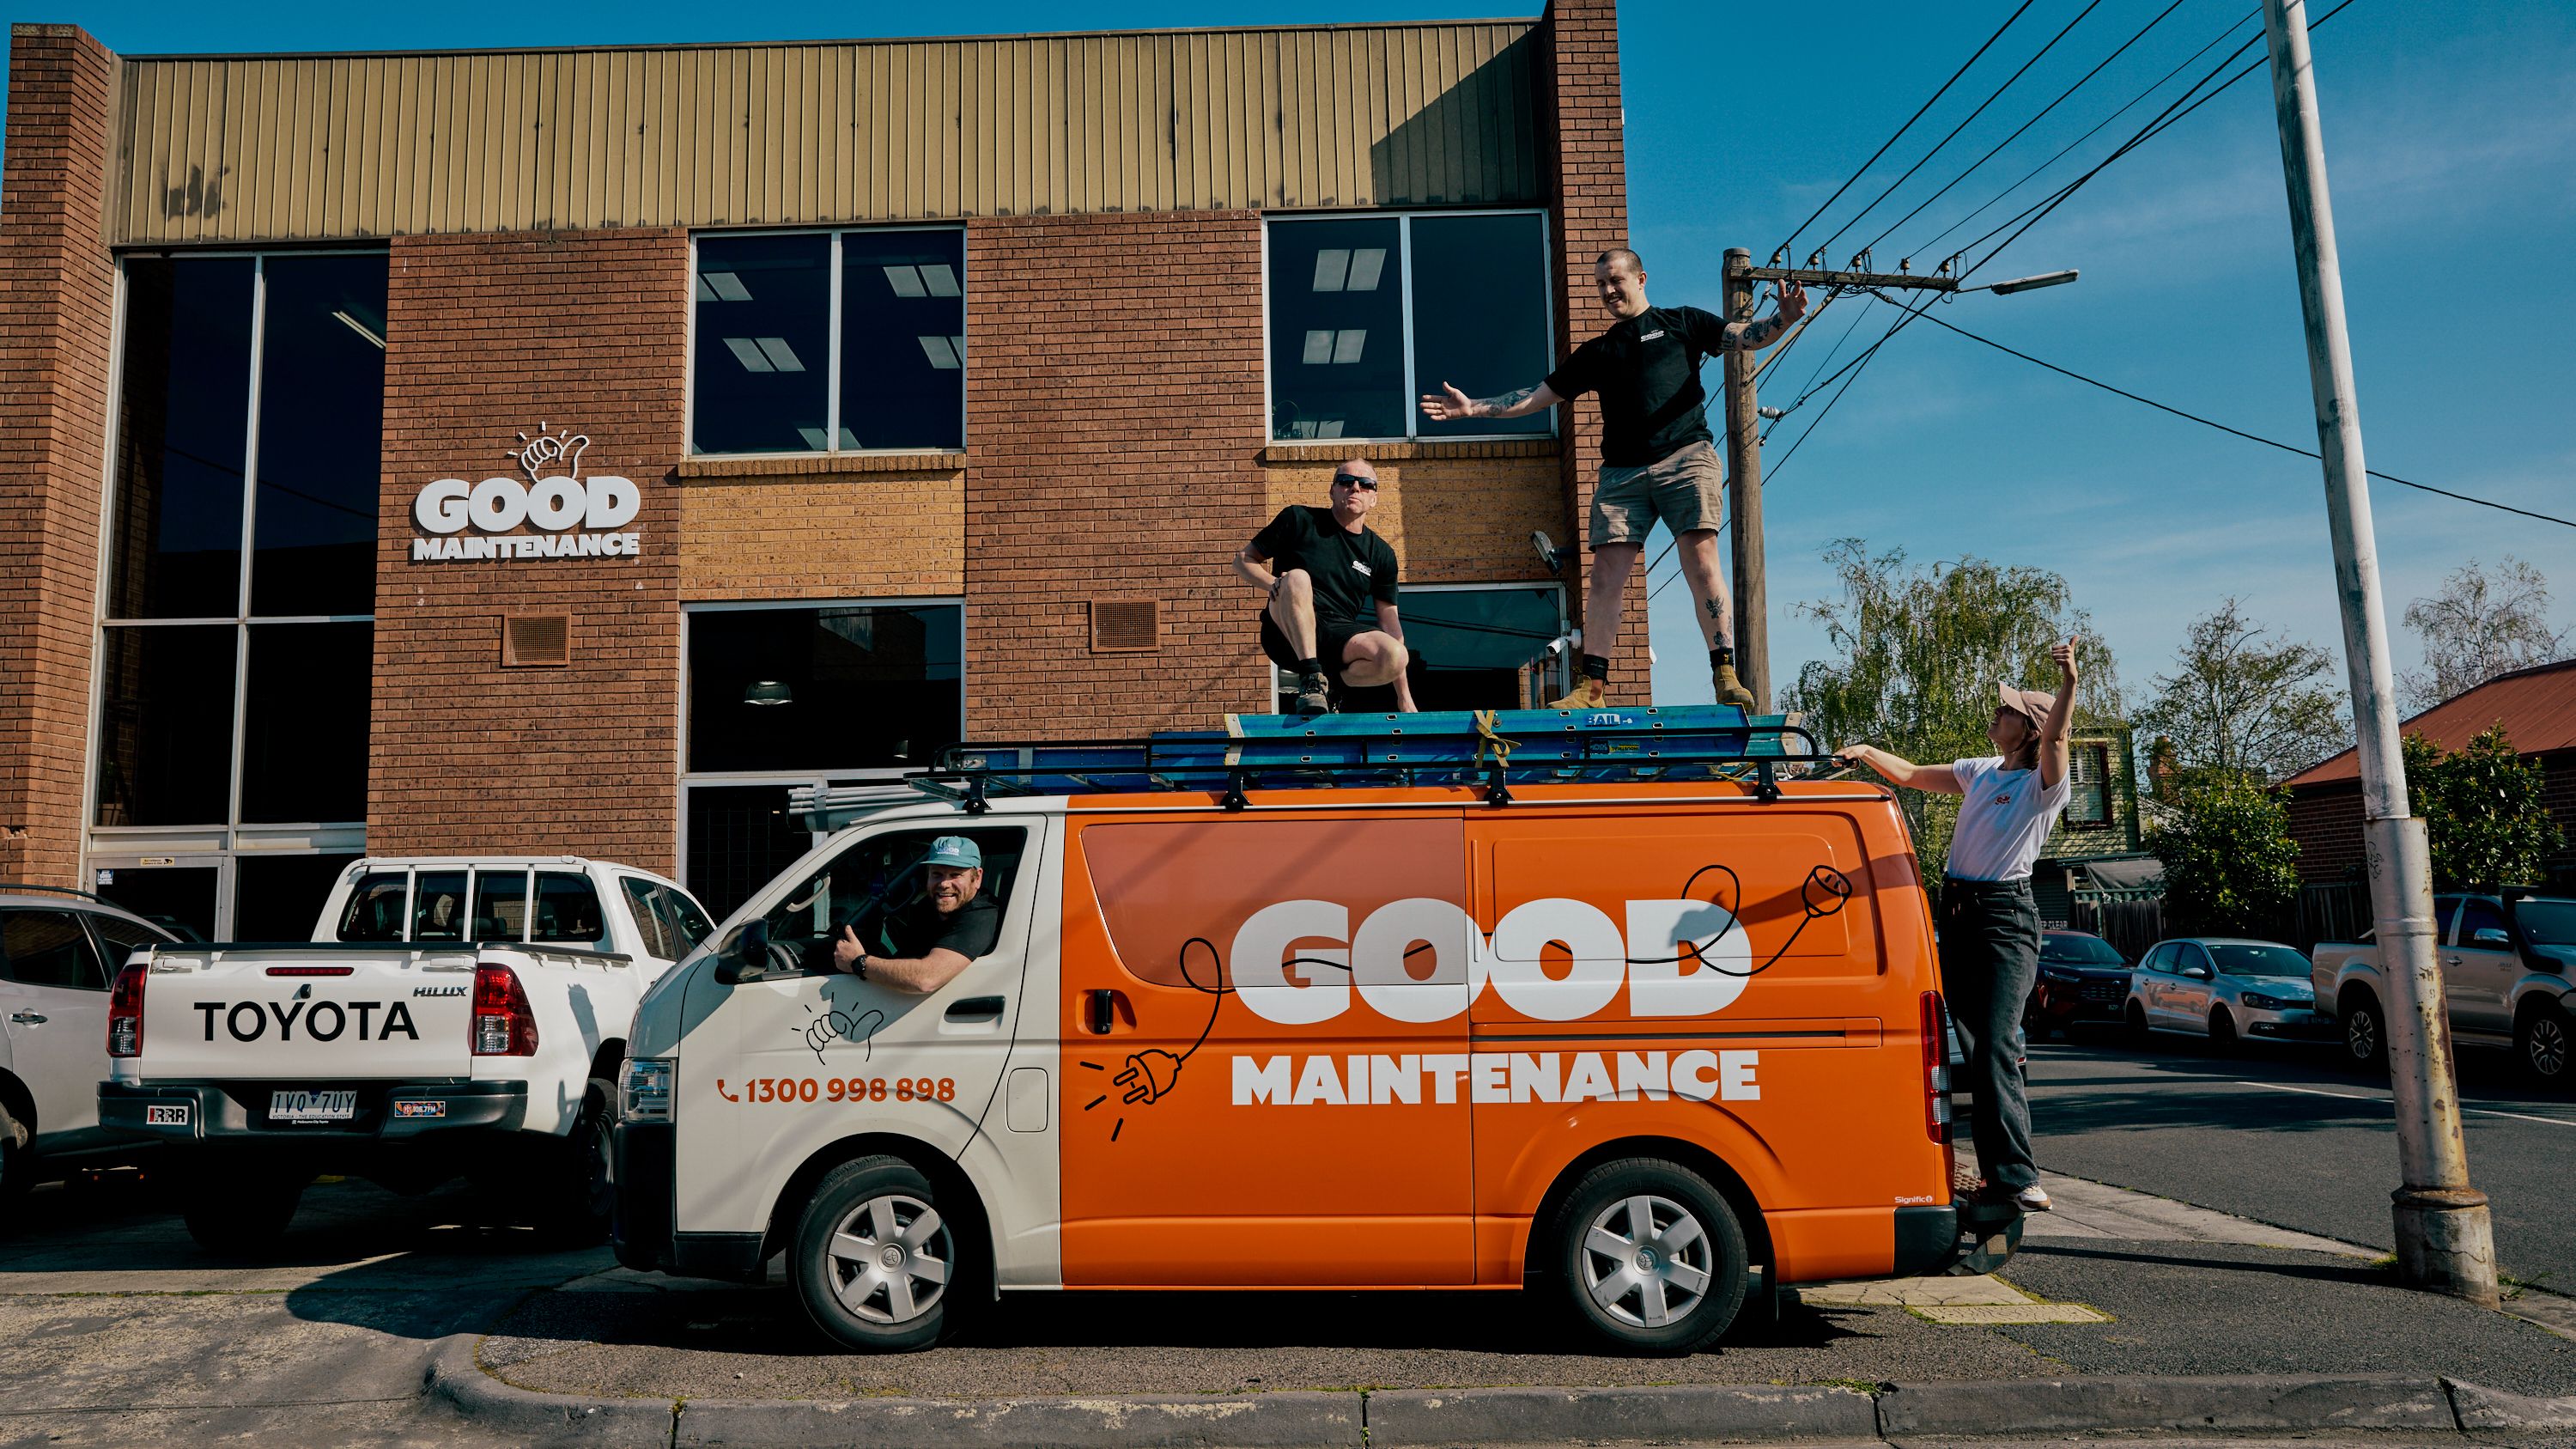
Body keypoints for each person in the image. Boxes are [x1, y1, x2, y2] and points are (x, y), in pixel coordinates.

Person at [1419, 247, 1804, 710]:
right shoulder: (1599, 352)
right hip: (1622, 474)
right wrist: (1475, 407)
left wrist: (1783, 321)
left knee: (1701, 563)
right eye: (1600, 284)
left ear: (1641, 278)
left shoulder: (1682, 322)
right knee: (1603, 578)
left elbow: (1746, 336)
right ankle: (1592, 689)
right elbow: (1537, 395)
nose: (1607, 291)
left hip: (1686, 458)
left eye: (1615, 280)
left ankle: (1725, 673)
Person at [1832, 638, 2081, 1214]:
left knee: (1996, 1042)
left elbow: (2060, 737)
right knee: (1968, 1043)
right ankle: (1996, 1176)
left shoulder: (2041, 786)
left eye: (2009, 709)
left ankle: (2020, 1176)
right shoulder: (1982, 772)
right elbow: (1916, 774)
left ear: (2027, 730)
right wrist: (1868, 751)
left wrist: (2068, 681)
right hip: (1960, 912)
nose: (1997, 712)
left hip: (2003, 919)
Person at [1236, 458, 1416, 715]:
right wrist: (1274, 584)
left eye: (1365, 484)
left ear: (1374, 498)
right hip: (1285, 630)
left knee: (1395, 656)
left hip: (1336, 636)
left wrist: (1404, 698)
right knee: (1297, 578)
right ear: (1332, 491)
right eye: (1346, 481)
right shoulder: (1299, 519)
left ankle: (1330, 684)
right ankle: (1310, 679)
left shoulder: (1381, 554)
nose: (1355, 487)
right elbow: (1243, 560)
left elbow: (1390, 625)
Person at [830, 835, 1000, 995]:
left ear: (977, 878)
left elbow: (926, 979)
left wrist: (859, 962)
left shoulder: (981, 914)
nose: (944, 884)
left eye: (955, 875)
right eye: (937, 874)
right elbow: (908, 954)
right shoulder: (928, 906)